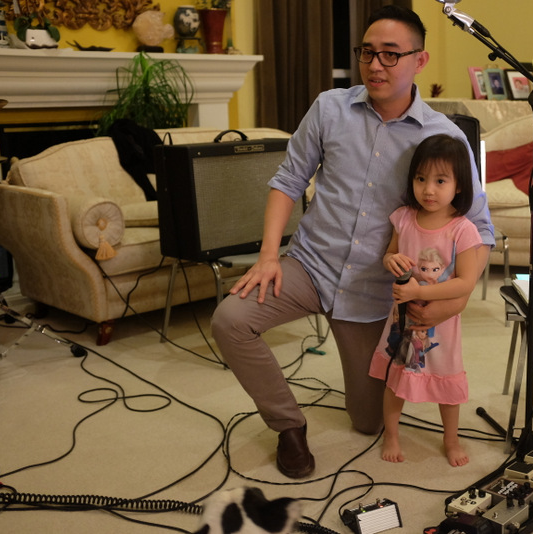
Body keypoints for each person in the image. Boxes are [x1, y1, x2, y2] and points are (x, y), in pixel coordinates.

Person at [211, 5, 494, 480]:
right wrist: (268, 257)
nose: (375, 65)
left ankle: (359, 396)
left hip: (374, 293)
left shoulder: (443, 137)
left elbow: (479, 227)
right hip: (310, 265)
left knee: (367, 422)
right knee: (230, 321)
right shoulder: (329, 108)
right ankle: (288, 426)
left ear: (420, 61)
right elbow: (288, 181)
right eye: (367, 52)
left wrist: (457, 298)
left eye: (390, 54)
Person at [369, 134, 484, 467]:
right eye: (421, 179)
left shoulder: (463, 230)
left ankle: (451, 440)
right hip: (401, 320)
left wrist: (419, 292)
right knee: (395, 378)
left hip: (441, 324)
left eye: (440, 181)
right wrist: (390, 260)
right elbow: (390, 254)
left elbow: (465, 282)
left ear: (459, 186)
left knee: (447, 381)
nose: (428, 190)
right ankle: (391, 435)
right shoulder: (404, 218)